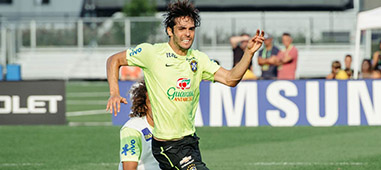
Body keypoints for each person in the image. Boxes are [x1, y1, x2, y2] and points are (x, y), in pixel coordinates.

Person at [105, 1, 265, 169]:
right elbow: (114, 60)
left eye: (191, 29)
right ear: (170, 31)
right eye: (182, 29)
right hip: (168, 145)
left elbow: (231, 79)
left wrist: (248, 53)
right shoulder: (151, 53)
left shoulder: (199, 59)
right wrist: (114, 92)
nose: (188, 34)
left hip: (190, 141)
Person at [119, 80, 160, 170]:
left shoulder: (172, 127)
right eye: (152, 103)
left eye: (160, 102)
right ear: (145, 105)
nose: (157, 107)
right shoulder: (133, 129)